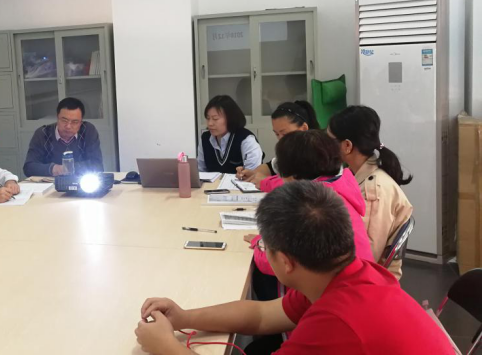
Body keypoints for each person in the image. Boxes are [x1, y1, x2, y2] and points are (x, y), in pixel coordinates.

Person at [134, 181, 456, 355]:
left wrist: (166, 347)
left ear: (286, 262)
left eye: (265, 247)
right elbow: (262, 315)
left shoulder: (336, 322)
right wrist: (184, 317)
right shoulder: (347, 275)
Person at [247, 130, 374, 302]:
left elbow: (279, 265)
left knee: (261, 280)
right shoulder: (337, 186)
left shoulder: (309, 207)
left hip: (334, 298)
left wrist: (260, 244)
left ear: (291, 176)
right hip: (361, 285)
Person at [328, 105, 413, 280]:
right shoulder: (357, 175)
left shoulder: (372, 192)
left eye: (330, 141)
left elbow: (366, 257)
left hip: (369, 282)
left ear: (347, 145)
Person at [236, 100, 318, 187]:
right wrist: (253, 174)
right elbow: (270, 167)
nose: (280, 139)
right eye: (277, 134)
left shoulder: (316, 151)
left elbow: (301, 184)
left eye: (285, 134)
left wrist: (266, 181)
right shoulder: (290, 151)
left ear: (304, 128)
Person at [23, 97, 104, 177]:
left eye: (75, 122)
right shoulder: (43, 133)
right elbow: (29, 168)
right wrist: (54, 169)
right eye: (64, 120)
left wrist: (67, 169)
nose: (68, 126)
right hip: (50, 183)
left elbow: (97, 165)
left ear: (81, 122)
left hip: (81, 182)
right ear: (57, 118)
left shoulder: (88, 131)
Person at [197, 95, 263, 174]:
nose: (210, 123)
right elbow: (200, 171)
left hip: (240, 182)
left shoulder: (246, 139)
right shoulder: (205, 138)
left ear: (230, 118)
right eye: (208, 118)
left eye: (215, 119)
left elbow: (252, 175)